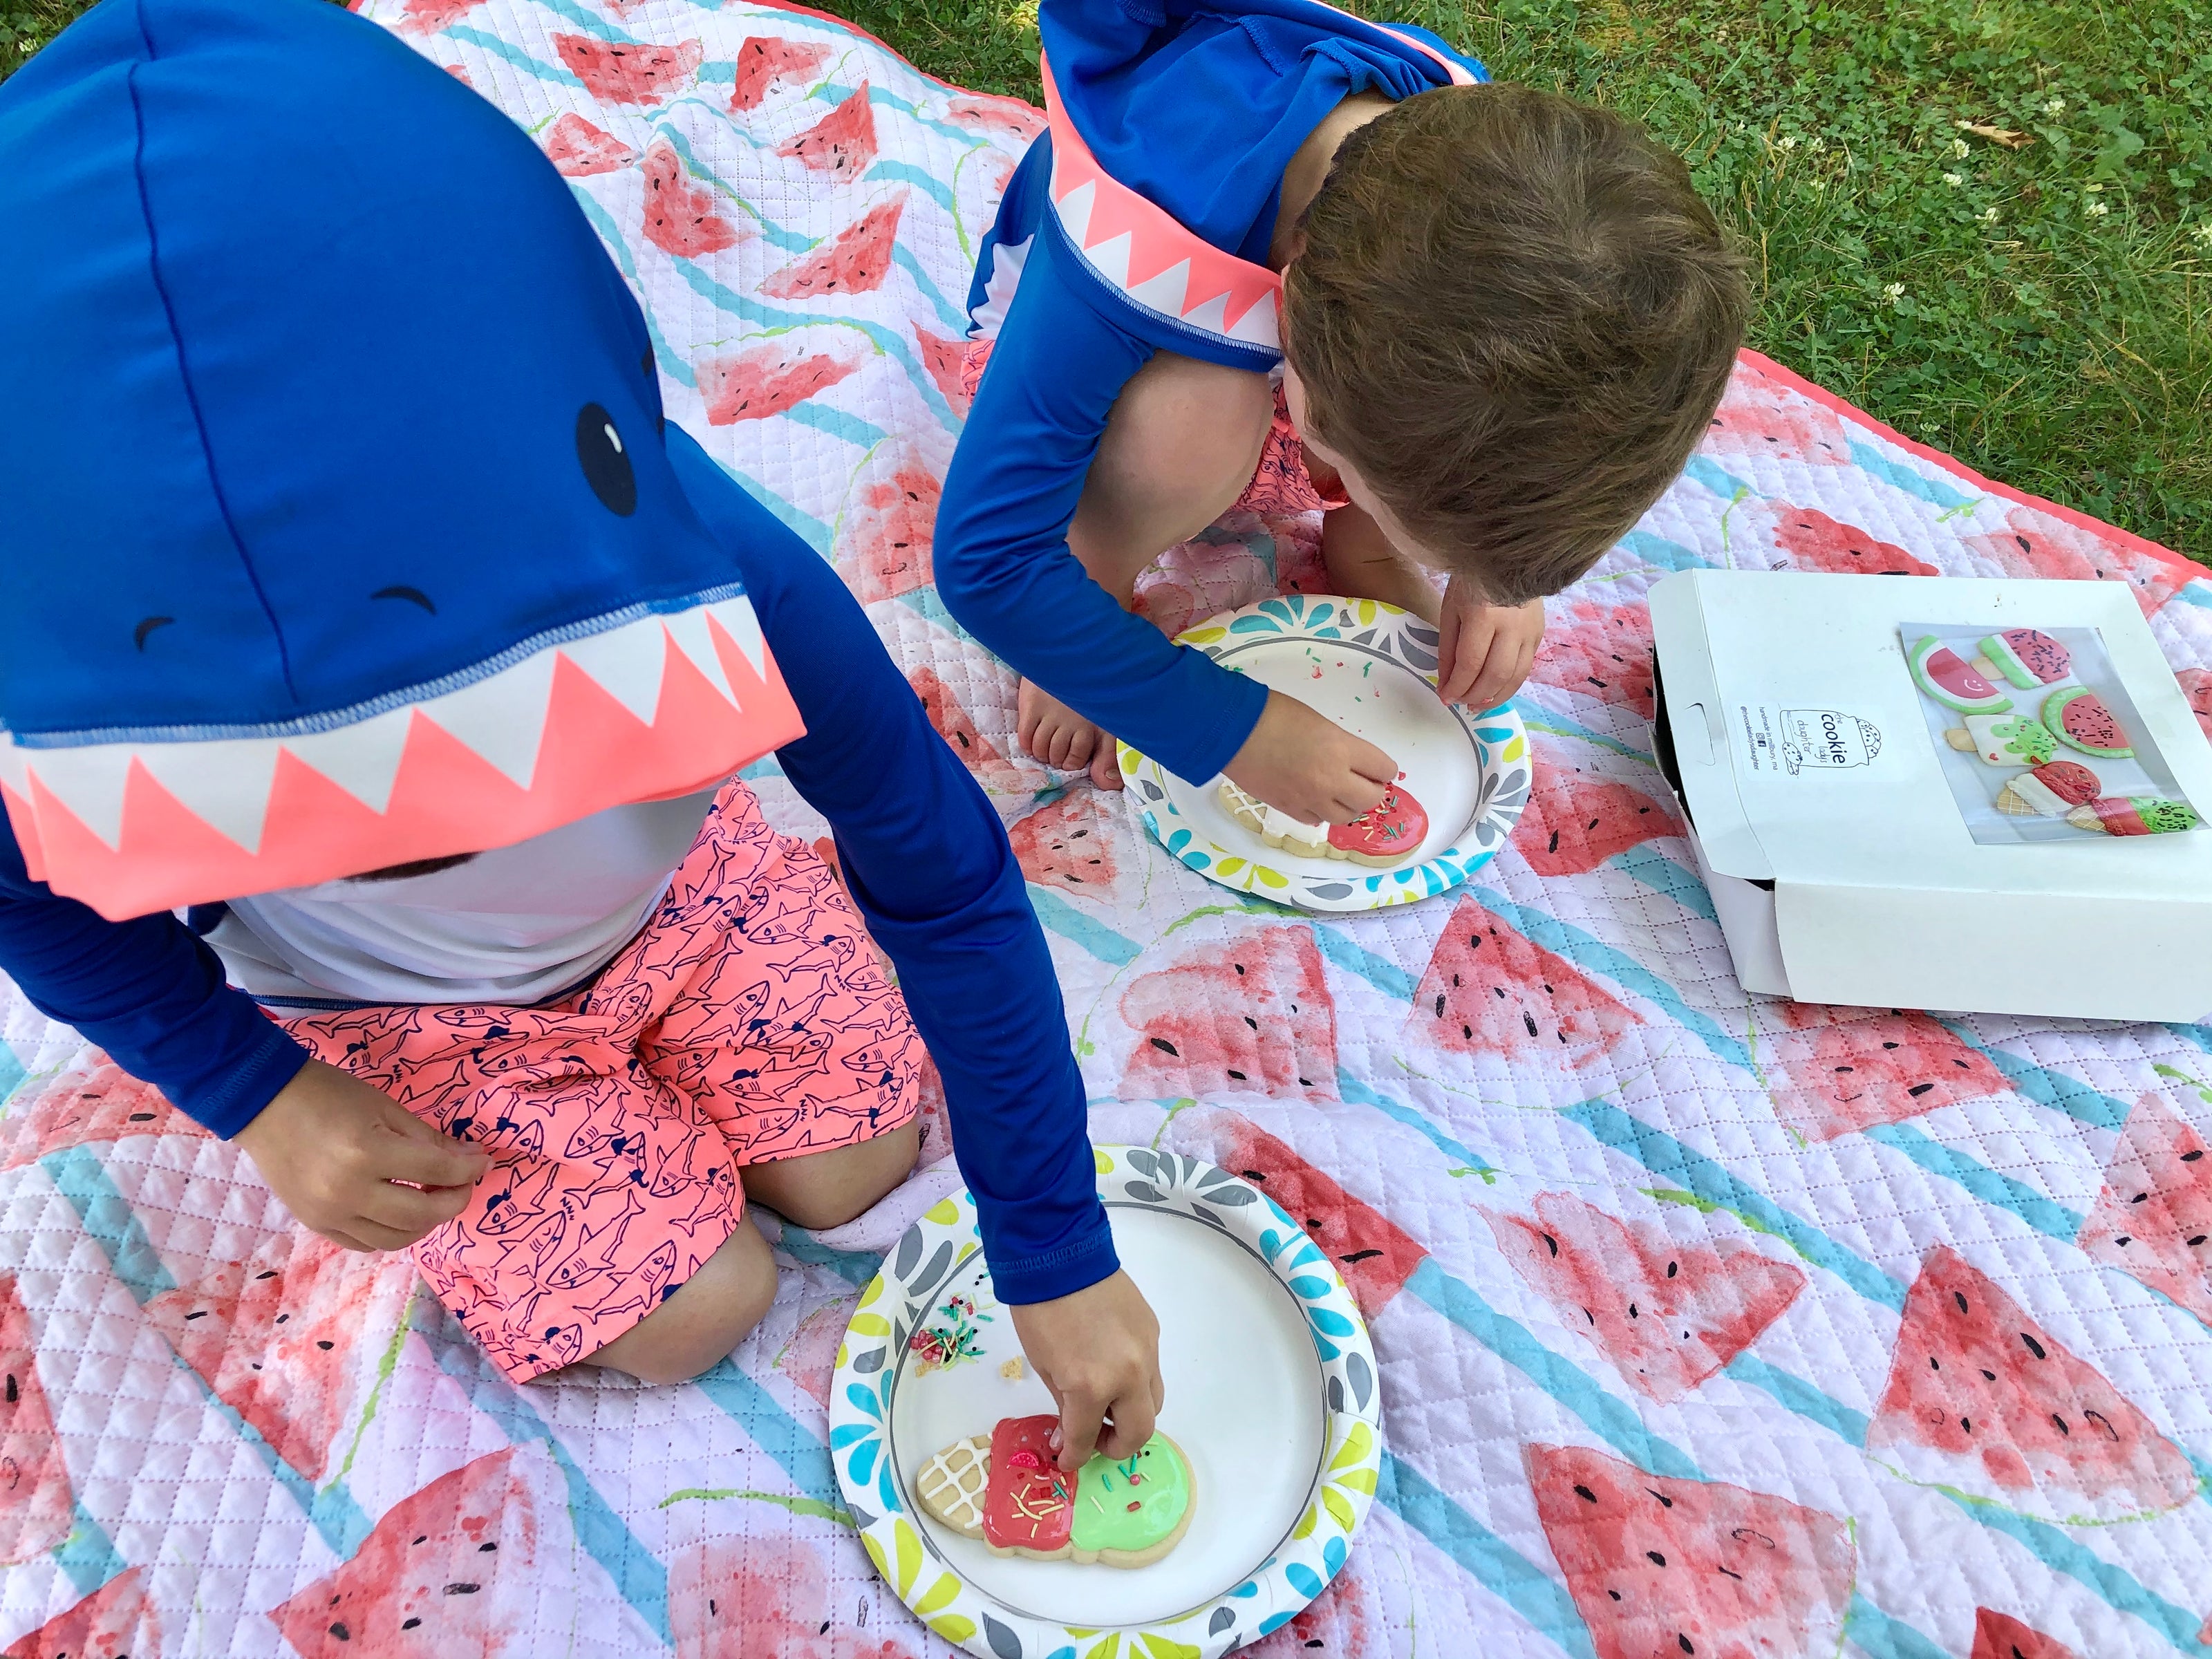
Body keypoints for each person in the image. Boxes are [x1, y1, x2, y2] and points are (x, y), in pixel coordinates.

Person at [0, 0, 1156, 1470]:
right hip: (396, 1029)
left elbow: (939, 874)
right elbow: (24, 895)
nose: (422, 834)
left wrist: (1053, 1244)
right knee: (695, 1313)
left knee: (861, 1157)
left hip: (686, 897)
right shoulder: (43, 694)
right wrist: (267, 1097)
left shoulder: (708, 560)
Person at [935, 0, 1750, 823]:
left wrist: (1492, 573)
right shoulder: (1131, 239)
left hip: (1312, 346)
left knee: (1422, 435)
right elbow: (986, 560)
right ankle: (1097, 572)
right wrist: (1231, 731)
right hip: (1097, 340)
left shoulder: (1485, 173)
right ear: (1297, 362)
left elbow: (1517, 388)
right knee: (1191, 420)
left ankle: (1373, 545)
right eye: (1383, 512)